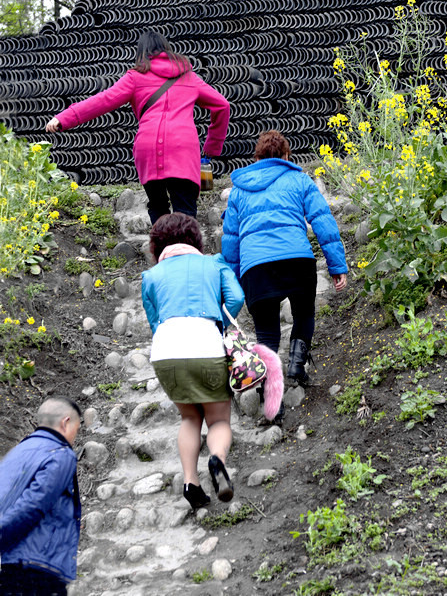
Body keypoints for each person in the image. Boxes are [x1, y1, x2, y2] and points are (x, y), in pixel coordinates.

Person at [221, 130, 348, 416]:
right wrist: (336, 265)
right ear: (286, 156)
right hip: (297, 261)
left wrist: (231, 280)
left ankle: (270, 399)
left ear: (256, 158)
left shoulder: (240, 190)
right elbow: (322, 221)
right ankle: (296, 366)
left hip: (257, 269)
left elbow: (230, 240)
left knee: (266, 334)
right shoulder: (299, 179)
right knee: (304, 315)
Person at [46, 30, 230, 223]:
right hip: (183, 149)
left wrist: (64, 117)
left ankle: (162, 249)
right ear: (167, 49)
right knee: (185, 209)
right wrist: (211, 148)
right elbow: (222, 105)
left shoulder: (135, 77)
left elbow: (104, 100)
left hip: (149, 149)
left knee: (158, 207)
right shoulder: (189, 77)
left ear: (141, 52)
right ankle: (186, 249)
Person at [141, 212, 245, 510]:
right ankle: (217, 460)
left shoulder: (151, 276)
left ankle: (191, 483)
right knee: (219, 420)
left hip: (166, 351)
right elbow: (236, 297)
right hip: (205, 343)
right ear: (195, 239)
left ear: (157, 244)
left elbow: (154, 320)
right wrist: (220, 323)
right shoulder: (213, 263)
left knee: (189, 418)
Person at [0, 396, 82, 596]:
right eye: (77, 430)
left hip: (8, 566)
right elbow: (33, 505)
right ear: (66, 422)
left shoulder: (15, 454)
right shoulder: (60, 453)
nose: (74, 437)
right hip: (37, 569)